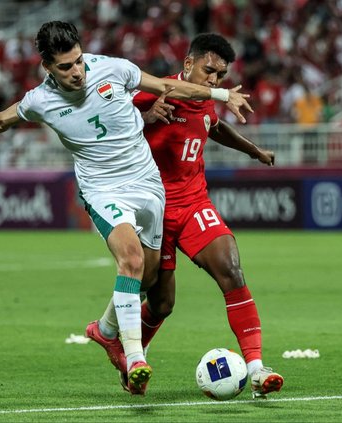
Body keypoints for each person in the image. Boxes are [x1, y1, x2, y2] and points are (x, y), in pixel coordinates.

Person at [0, 22, 253, 392]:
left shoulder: (113, 69)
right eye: (65, 67)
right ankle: (134, 356)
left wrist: (222, 96)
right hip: (102, 189)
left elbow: (167, 86)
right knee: (131, 259)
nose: (76, 72)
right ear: (47, 67)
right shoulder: (39, 101)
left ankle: (106, 330)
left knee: (150, 274)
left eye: (78, 61)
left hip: (147, 184)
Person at [86, 33, 284, 398]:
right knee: (161, 302)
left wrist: (253, 150)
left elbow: (214, 125)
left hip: (194, 203)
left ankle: (256, 368)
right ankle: (128, 353)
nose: (214, 81)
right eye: (209, 70)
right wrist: (144, 117)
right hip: (153, 207)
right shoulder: (153, 91)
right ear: (188, 64)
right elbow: (104, 126)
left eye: (221, 76)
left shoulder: (206, 101)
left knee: (232, 268)